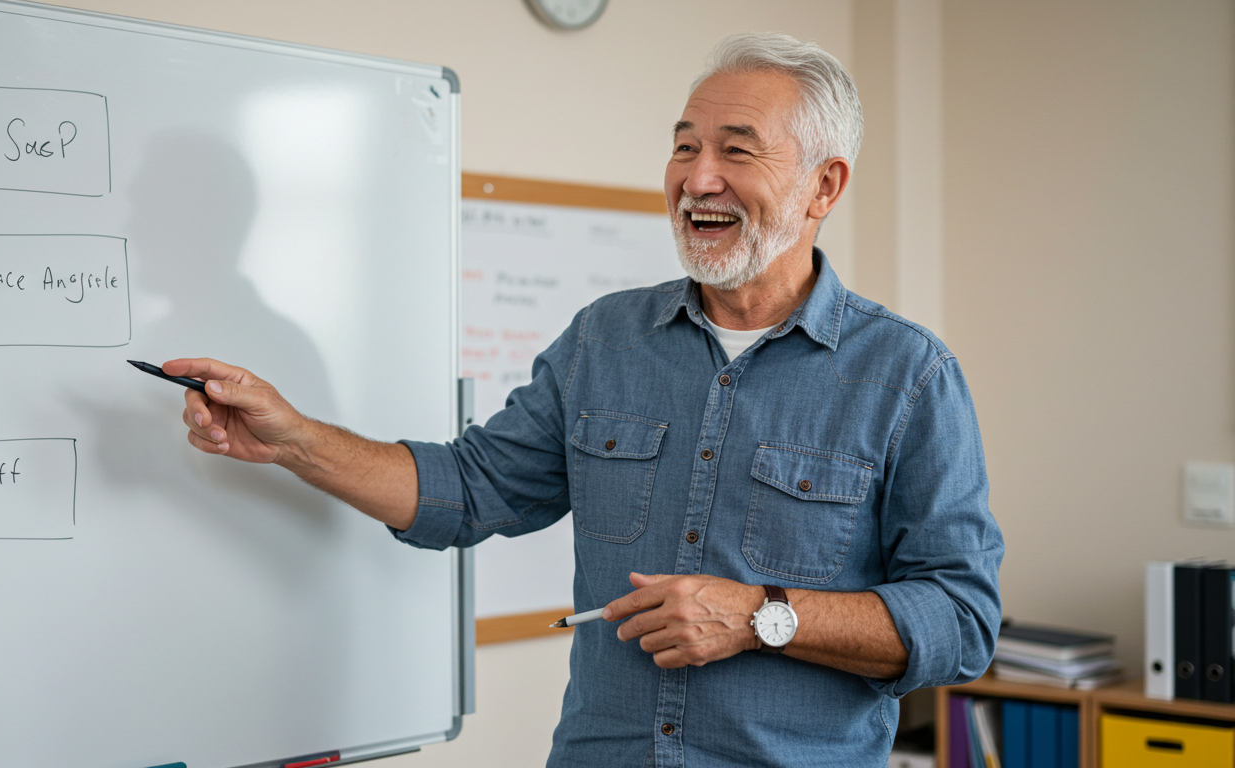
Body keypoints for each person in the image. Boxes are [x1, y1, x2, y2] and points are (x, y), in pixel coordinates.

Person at [166, 32, 1003, 768]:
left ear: (825, 186)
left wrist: (759, 616)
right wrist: (291, 439)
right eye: (683, 147)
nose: (695, 178)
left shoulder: (909, 375)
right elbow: (465, 491)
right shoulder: (605, 339)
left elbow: (961, 622)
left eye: (736, 151)